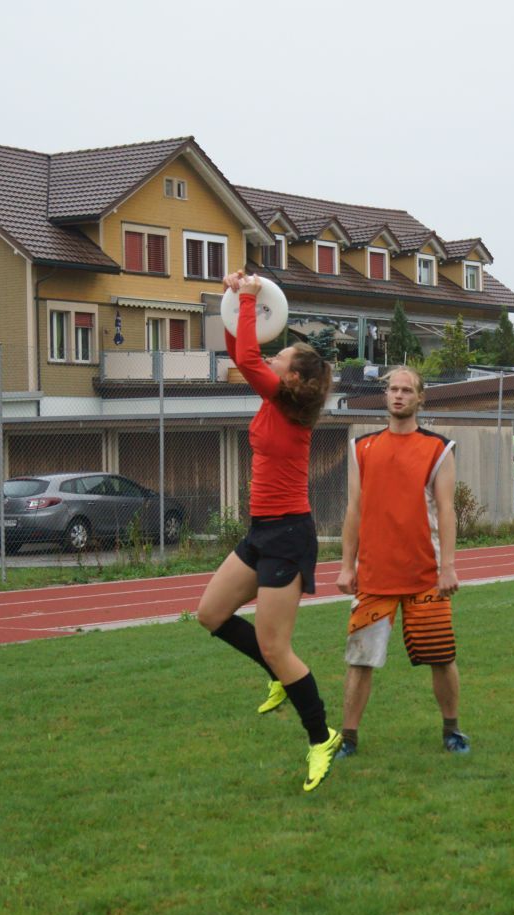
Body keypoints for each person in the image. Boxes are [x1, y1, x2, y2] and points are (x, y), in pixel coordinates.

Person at [195, 271, 341, 792]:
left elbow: (248, 357)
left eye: (282, 357)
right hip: (261, 531)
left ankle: (321, 737)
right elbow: (243, 350)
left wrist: (249, 296)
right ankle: (279, 676)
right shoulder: (274, 396)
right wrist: (231, 300)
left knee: (277, 646)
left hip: (289, 535)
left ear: (294, 376)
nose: (273, 358)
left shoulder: (287, 402)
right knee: (211, 614)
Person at [333, 365, 469, 758]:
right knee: (360, 660)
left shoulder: (438, 448)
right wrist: (346, 565)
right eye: (393, 389)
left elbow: (447, 511)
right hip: (374, 576)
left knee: (441, 657)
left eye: (407, 390)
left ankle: (452, 730)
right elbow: (354, 510)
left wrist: (448, 567)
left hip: (425, 576)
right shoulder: (362, 447)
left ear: (420, 398)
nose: (398, 395)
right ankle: (348, 738)